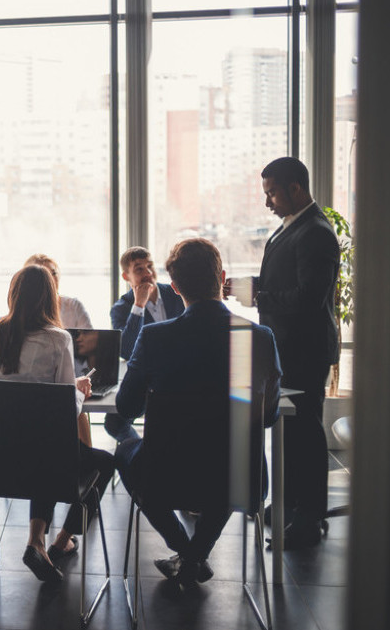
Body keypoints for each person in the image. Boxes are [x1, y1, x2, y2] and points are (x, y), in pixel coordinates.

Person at [114, 238, 281, 588]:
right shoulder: (258, 337)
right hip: (241, 477)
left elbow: (125, 408)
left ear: (174, 286)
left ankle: (186, 550)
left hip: (167, 474)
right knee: (227, 462)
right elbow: (267, 417)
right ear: (221, 277)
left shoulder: (155, 338)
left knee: (125, 452)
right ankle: (196, 553)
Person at [0, 265, 115, 584]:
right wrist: (79, 391)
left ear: (13, 294)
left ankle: (38, 541)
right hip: (48, 464)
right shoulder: (58, 339)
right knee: (101, 464)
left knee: (48, 448)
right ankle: (60, 541)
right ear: (50, 299)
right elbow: (66, 409)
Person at [233, 156, 340, 549]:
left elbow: (310, 298)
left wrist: (261, 296)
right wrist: (251, 287)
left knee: (306, 436)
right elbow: (286, 281)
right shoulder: (290, 228)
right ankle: (291, 506)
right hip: (285, 346)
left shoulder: (316, 232)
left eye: (272, 192)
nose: (268, 203)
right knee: (289, 434)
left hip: (305, 349)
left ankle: (309, 518)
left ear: (296, 187)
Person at [106, 246, 186, 443]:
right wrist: (138, 306)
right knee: (114, 421)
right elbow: (125, 351)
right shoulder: (121, 308)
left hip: (179, 376)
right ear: (126, 276)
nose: (148, 273)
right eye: (139, 269)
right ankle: (139, 450)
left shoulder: (176, 294)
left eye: (150, 266)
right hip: (145, 380)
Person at [24, 253, 93, 328]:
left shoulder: (74, 306)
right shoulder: (23, 311)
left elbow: (89, 337)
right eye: (46, 275)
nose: (52, 279)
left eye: (54, 273)